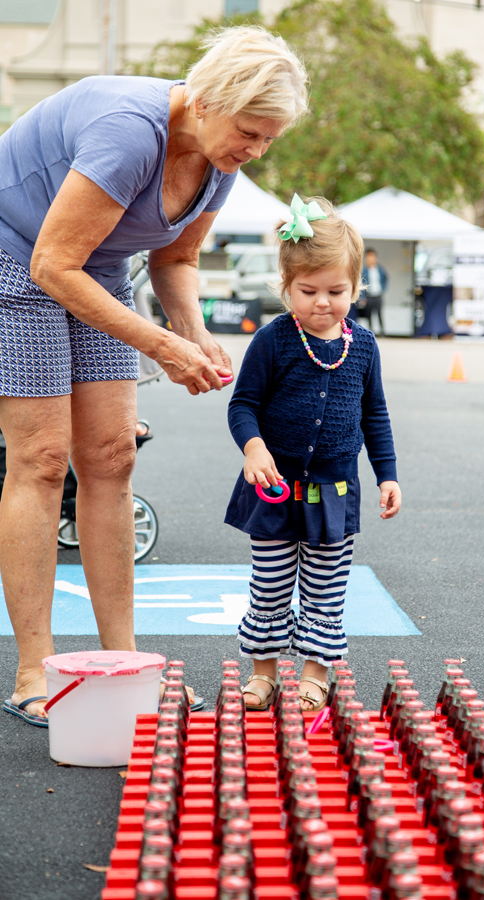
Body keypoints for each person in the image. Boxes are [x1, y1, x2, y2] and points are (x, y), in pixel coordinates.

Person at [0, 25, 308, 726]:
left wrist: (193, 334)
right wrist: (162, 348)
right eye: (251, 132)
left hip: (92, 265)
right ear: (207, 100)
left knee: (110, 456)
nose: (257, 151)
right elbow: (50, 265)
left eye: (269, 139)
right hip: (14, 257)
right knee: (44, 459)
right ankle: (31, 671)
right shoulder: (130, 132)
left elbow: (175, 261)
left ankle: (123, 663)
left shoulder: (220, 159)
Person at [224, 196, 402, 712]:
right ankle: (262, 673)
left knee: (326, 590)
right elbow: (243, 405)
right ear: (285, 288)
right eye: (308, 291)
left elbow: (376, 417)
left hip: (336, 493)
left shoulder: (363, 347)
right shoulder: (273, 340)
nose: (322, 302)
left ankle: (314, 674)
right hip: (274, 491)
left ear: (356, 287)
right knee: (271, 586)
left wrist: (387, 475)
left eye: (336, 291)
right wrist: (253, 447)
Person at [356, 248, 388, 334]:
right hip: (369, 296)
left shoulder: (380, 269)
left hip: (378, 295)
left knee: (379, 314)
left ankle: (382, 332)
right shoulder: (365, 271)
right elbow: (362, 283)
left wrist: (383, 289)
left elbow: (385, 279)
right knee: (369, 315)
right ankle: (371, 331)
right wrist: (362, 297)